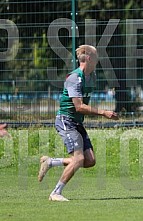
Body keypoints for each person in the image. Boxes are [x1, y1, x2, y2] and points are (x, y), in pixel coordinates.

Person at [38, 45, 119, 201]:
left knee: (89, 161)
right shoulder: (74, 78)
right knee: (79, 159)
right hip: (66, 120)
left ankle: (51, 162)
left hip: (77, 122)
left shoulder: (92, 76)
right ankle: (56, 193)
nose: (98, 59)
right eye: (96, 56)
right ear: (88, 58)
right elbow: (79, 106)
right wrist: (104, 112)